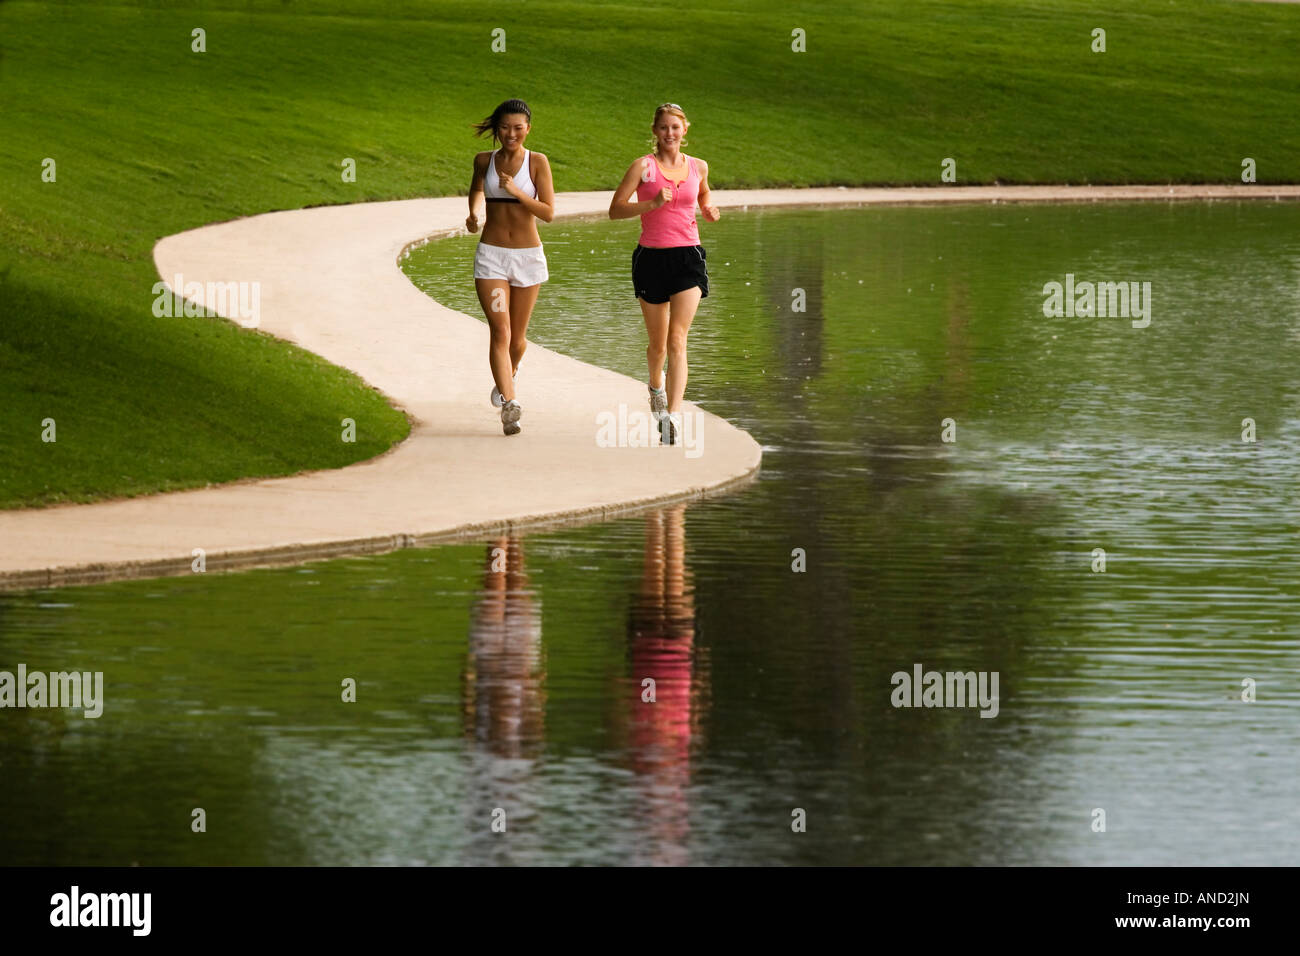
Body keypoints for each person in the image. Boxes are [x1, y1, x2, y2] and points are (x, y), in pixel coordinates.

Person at [609, 103, 720, 445]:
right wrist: (652, 204)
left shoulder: (698, 166)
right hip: (651, 260)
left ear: (684, 130)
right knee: (657, 345)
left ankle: (671, 415)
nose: (669, 134)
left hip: (688, 258)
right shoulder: (644, 167)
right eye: (663, 128)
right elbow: (615, 210)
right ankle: (655, 386)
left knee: (677, 340)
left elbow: (702, 193)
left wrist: (708, 208)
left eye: (675, 127)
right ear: (655, 131)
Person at [466, 99, 555, 436]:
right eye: (505, 127)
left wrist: (516, 191)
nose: (511, 133)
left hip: (527, 258)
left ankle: (508, 373)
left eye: (518, 127)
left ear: (528, 129)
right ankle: (510, 405)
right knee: (500, 331)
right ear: (497, 128)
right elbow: (476, 188)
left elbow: (547, 212)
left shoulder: (537, 163)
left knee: (517, 340)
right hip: (492, 258)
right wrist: (474, 212)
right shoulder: (483, 161)